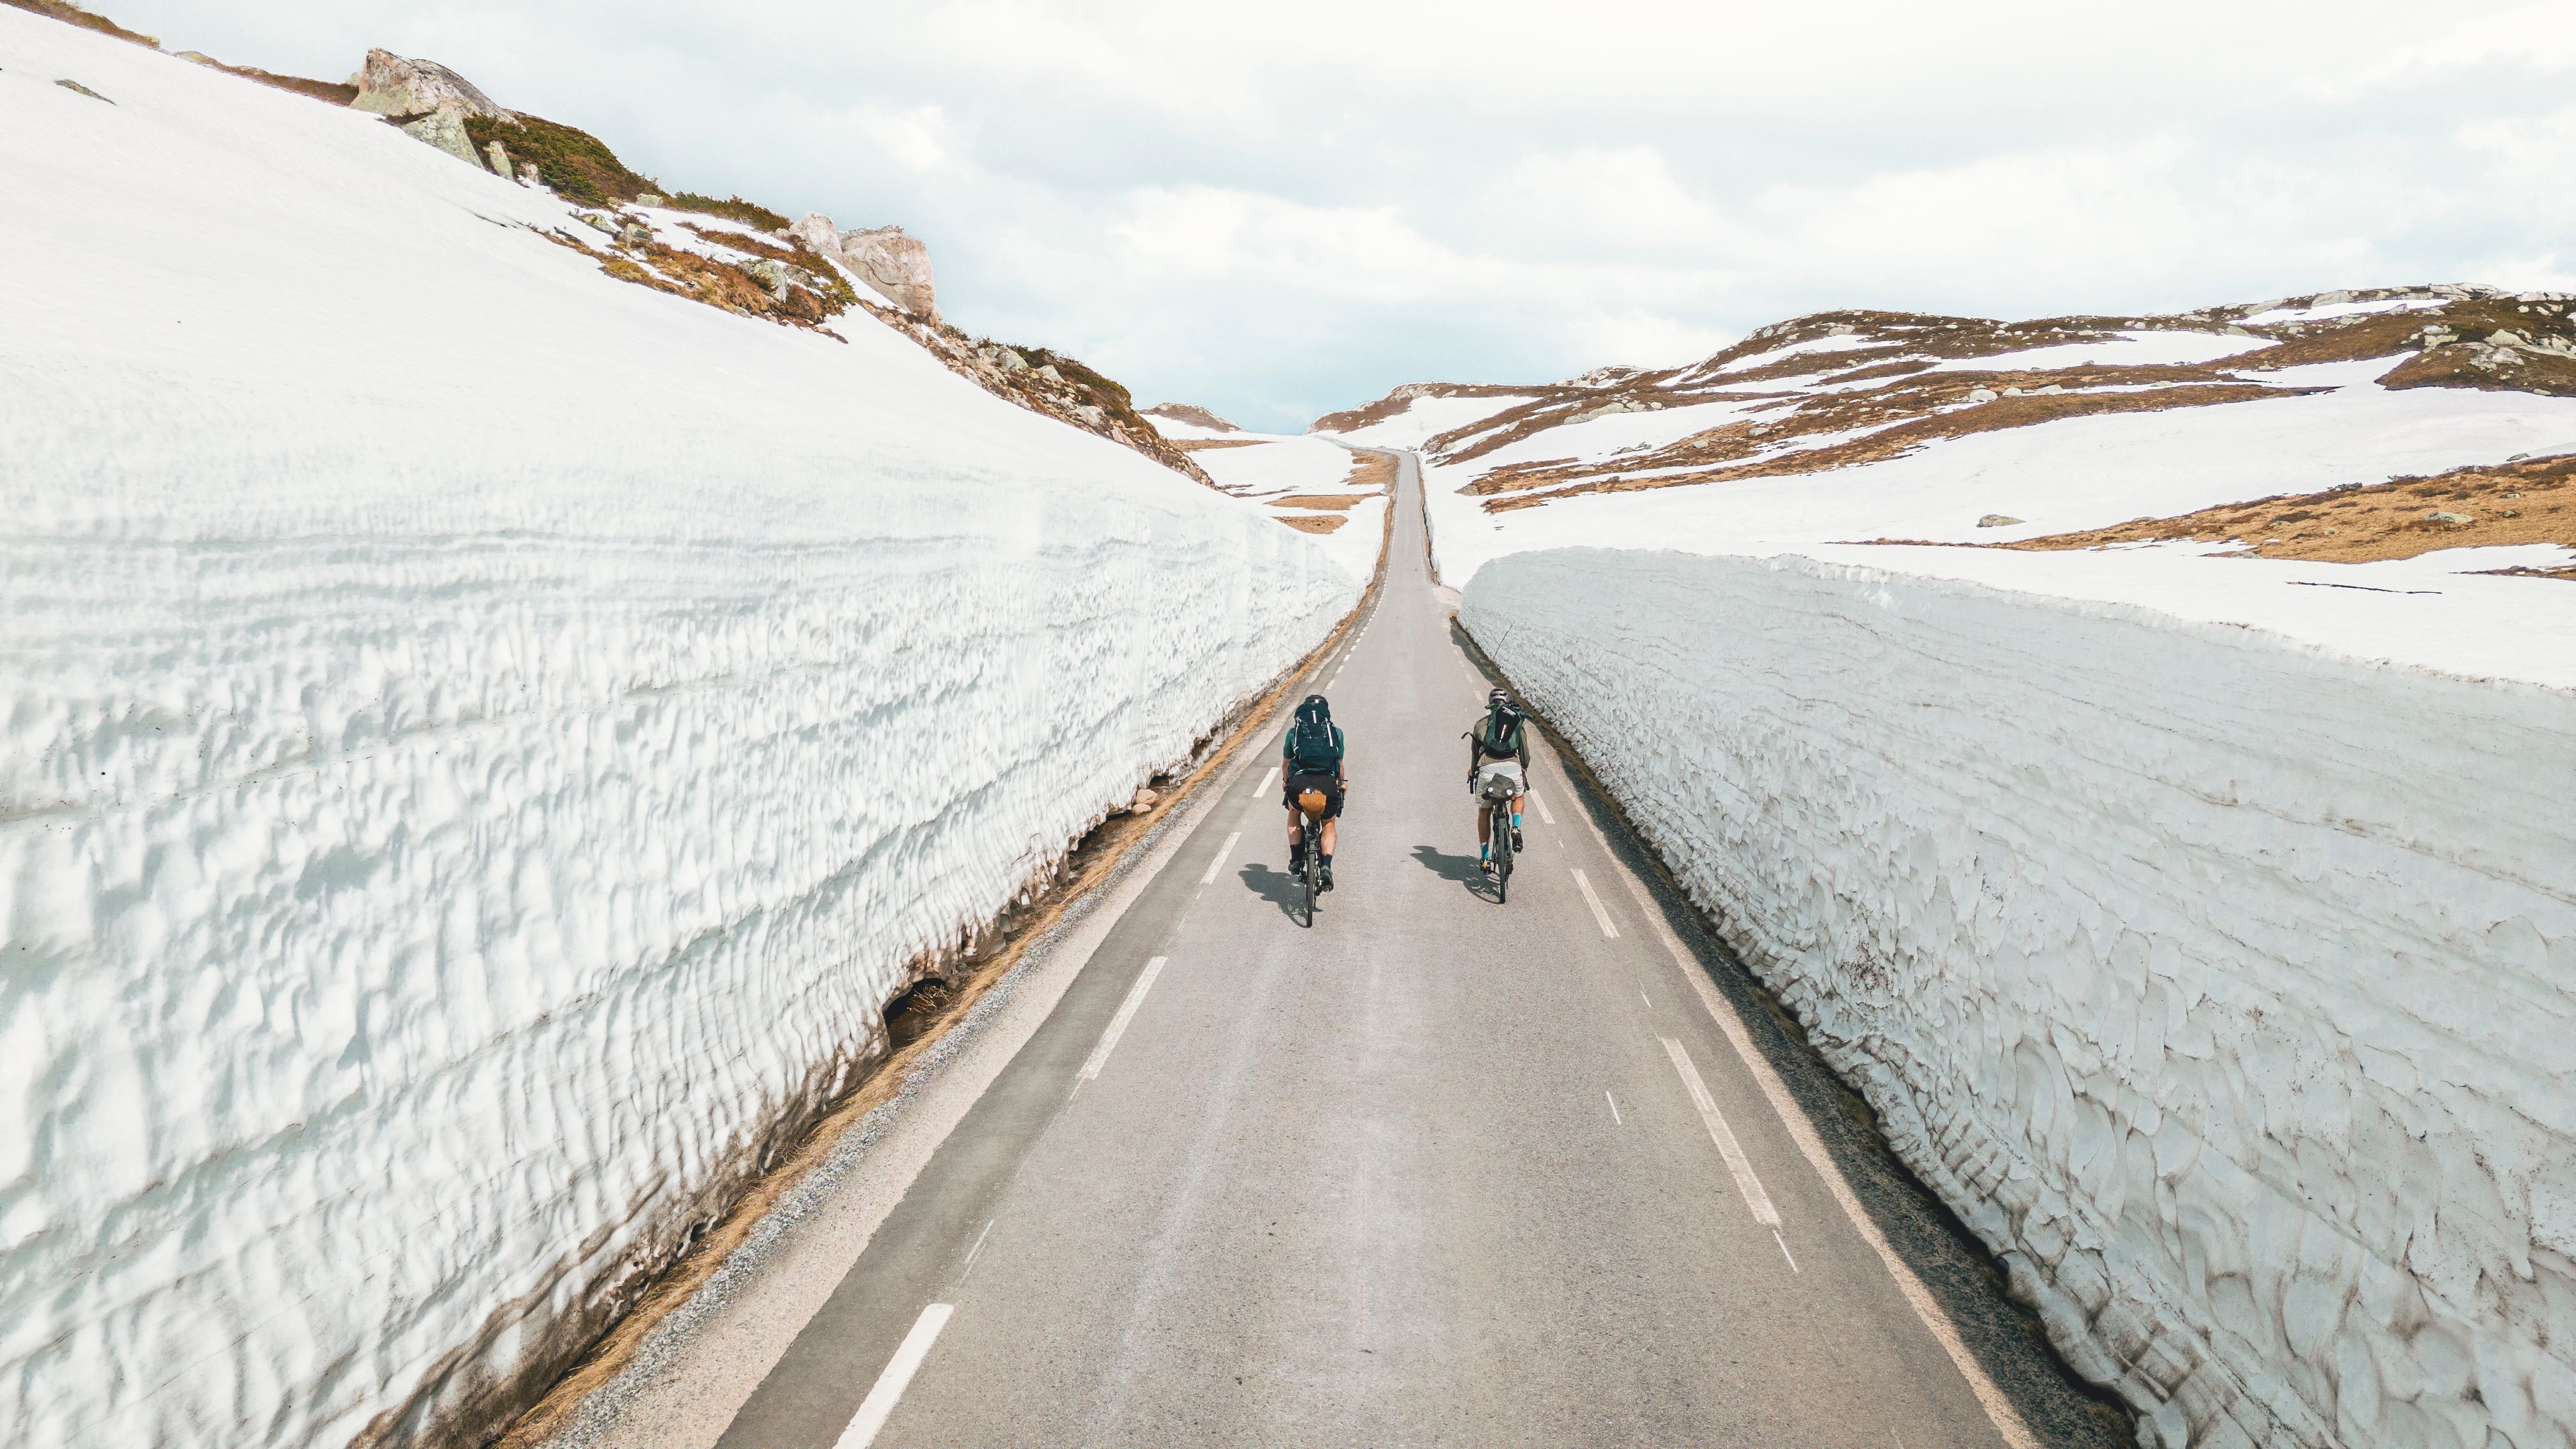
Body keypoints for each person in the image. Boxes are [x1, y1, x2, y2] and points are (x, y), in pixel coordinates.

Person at [1281, 693, 1346, 891]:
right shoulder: (1336, 732)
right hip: (1327, 784)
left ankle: (1295, 858)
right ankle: (1326, 866)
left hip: (1300, 783)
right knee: (1328, 822)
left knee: (1294, 812)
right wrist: (1341, 785)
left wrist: (1286, 783)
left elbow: (1286, 763)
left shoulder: (1294, 732)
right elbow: (1340, 764)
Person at [1466, 687, 1529, 873]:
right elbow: (1525, 757)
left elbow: (1475, 756)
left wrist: (1472, 771)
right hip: (1512, 770)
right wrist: (1522, 769)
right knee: (1518, 797)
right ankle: (1516, 827)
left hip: (1487, 771)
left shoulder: (1480, 725)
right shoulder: (1516, 723)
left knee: (1484, 812)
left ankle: (1485, 857)